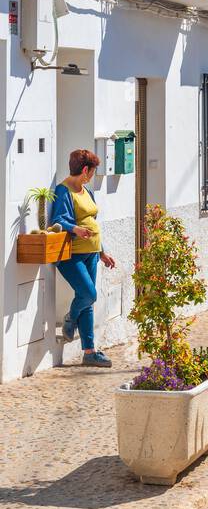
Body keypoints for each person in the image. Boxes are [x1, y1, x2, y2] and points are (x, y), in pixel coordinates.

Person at [51, 148, 117, 367]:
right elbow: (57, 219)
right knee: (89, 294)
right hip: (72, 255)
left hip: (91, 253)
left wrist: (102, 252)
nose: (92, 176)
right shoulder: (63, 191)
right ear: (85, 169)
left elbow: (93, 223)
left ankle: (89, 352)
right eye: (92, 171)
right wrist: (74, 229)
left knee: (87, 300)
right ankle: (70, 317)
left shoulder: (86, 191)